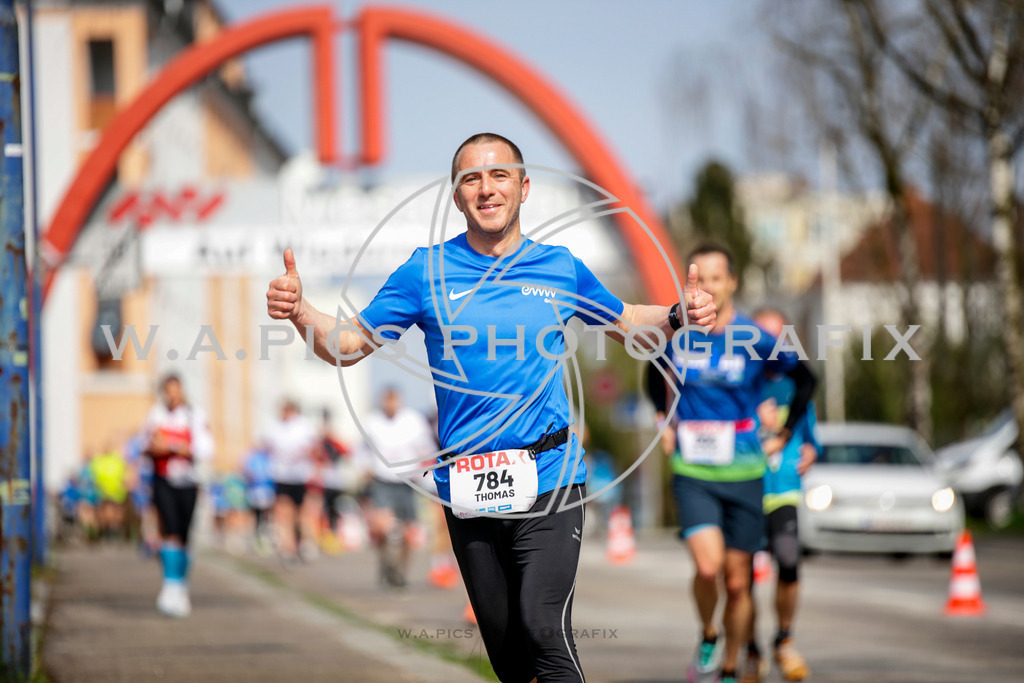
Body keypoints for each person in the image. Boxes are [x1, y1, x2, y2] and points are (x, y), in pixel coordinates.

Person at [266, 132, 716, 682]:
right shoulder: (423, 271)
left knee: (544, 628)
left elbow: (627, 324)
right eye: (471, 179)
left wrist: (676, 315)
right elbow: (348, 346)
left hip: (550, 475)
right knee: (509, 657)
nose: (486, 189)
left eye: (499, 175)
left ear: (524, 188)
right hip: (470, 487)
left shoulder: (560, 268)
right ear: (456, 197)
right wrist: (300, 312)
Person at [663, 244, 816, 683]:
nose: (709, 286)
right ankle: (708, 633)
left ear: (731, 283)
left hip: (745, 471)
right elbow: (652, 375)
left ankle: (731, 667)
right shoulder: (677, 334)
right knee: (708, 568)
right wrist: (664, 421)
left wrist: (788, 434)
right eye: (701, 278)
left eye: (717, 277)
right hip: (693, 472)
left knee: (737, 581)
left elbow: (805, 378)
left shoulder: (754, 336)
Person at [741, 308, 819, 683]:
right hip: (744, 486)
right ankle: (751, 651)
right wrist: (759, 422)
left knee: (788, 561)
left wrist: (811, 450)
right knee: (741, 578)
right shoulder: (740, 378)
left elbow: (810, 432)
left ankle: (784, 641)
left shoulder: (794, 382)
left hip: (784, 488)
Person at [143, 373, 213, 618]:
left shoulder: (195, 415)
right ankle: (170, 586)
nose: (171, 395)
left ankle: (180, 586)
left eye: (175, 390)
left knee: (183, 535)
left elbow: (203, 449)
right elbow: (150, 443)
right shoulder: (156, 414)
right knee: (169, 531)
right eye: (167, 390)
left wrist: (171, 446)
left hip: (188, 481)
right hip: (163, 480)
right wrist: (174, 447)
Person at [357, 387, 435, 588]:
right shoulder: (373, 422)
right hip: (382, 481)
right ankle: (386, 563)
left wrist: (425, 474)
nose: (390, 405)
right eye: (387, 401)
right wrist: (363, 469)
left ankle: (400, 572)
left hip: (408, 482)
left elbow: (426, 449)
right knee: (383, 527)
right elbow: (362, 449)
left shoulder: (413, 421)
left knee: (409, 532)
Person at [264, 399, 318, 563]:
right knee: (282, 512)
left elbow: (314, 449)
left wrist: (304, 455)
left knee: (300, 514)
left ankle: (303, 542)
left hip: (300, 476)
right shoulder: (274, 427)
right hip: (281, 476)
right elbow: (267, 447)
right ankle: (288, 547)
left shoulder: (304, 426)